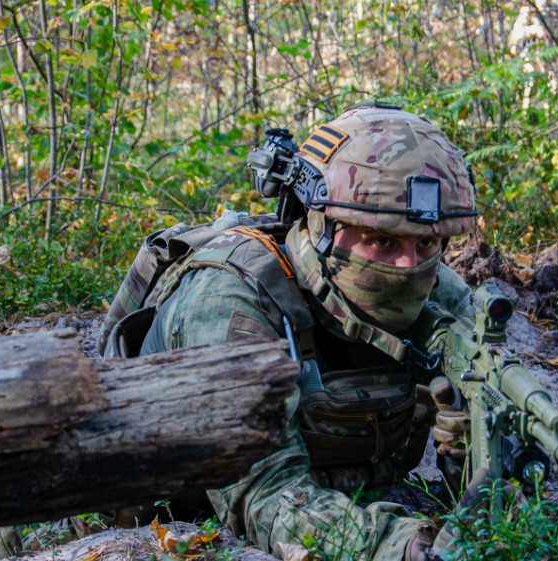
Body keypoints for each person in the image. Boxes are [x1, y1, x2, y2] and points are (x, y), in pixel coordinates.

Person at [124, 102, 481, 560]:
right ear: (323, 226)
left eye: (427, 242)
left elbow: (487, 486)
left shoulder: (441, 294)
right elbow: (262, 493)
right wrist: (402, 548)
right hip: (163, 522)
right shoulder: (230, 304)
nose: (409, 266)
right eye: (383, 240)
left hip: (351, 499)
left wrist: (470, 449)